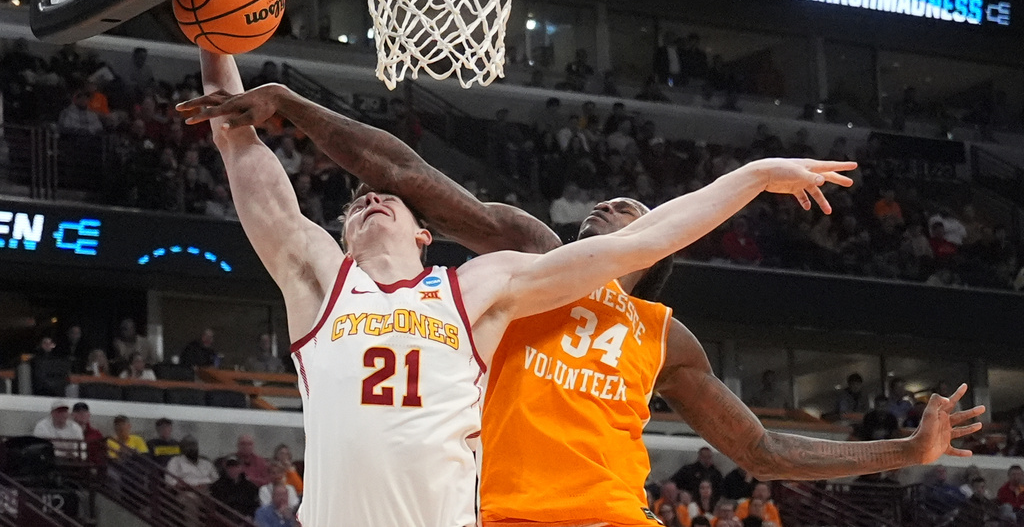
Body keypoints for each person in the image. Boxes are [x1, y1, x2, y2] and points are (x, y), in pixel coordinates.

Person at [180, 74, 984, 527]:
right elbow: (403, 174)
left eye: (627, 206)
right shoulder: (526, 261)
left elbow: (762, 452)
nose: (605, 206)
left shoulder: (665, 337)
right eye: (603, 205)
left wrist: (903, 454)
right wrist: (287, 106)